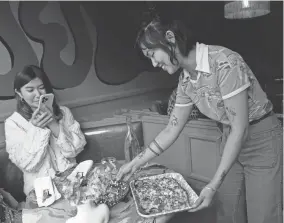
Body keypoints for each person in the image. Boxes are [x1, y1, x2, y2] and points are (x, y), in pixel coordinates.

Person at [117, 16, 283, 223]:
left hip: (261, 139)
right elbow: (172, 129)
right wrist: (135, 163)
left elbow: (241, 130)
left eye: (153, 54)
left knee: (263, 216)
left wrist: (212, 184)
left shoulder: (224, 62)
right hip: (229, 138)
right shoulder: (186, 80)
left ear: (170, 38)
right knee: (227, 213)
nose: (153, 63)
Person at [4, 65, 86, 207]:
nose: (38, 94)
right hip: (39, 193)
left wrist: (54, 124)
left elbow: (76, 149)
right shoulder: (13, 123)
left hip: (73, 183)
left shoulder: (64, 112)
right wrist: (37, 129)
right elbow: (28, 164)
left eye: (41, 87)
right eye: (30, 90)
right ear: (19, 93)